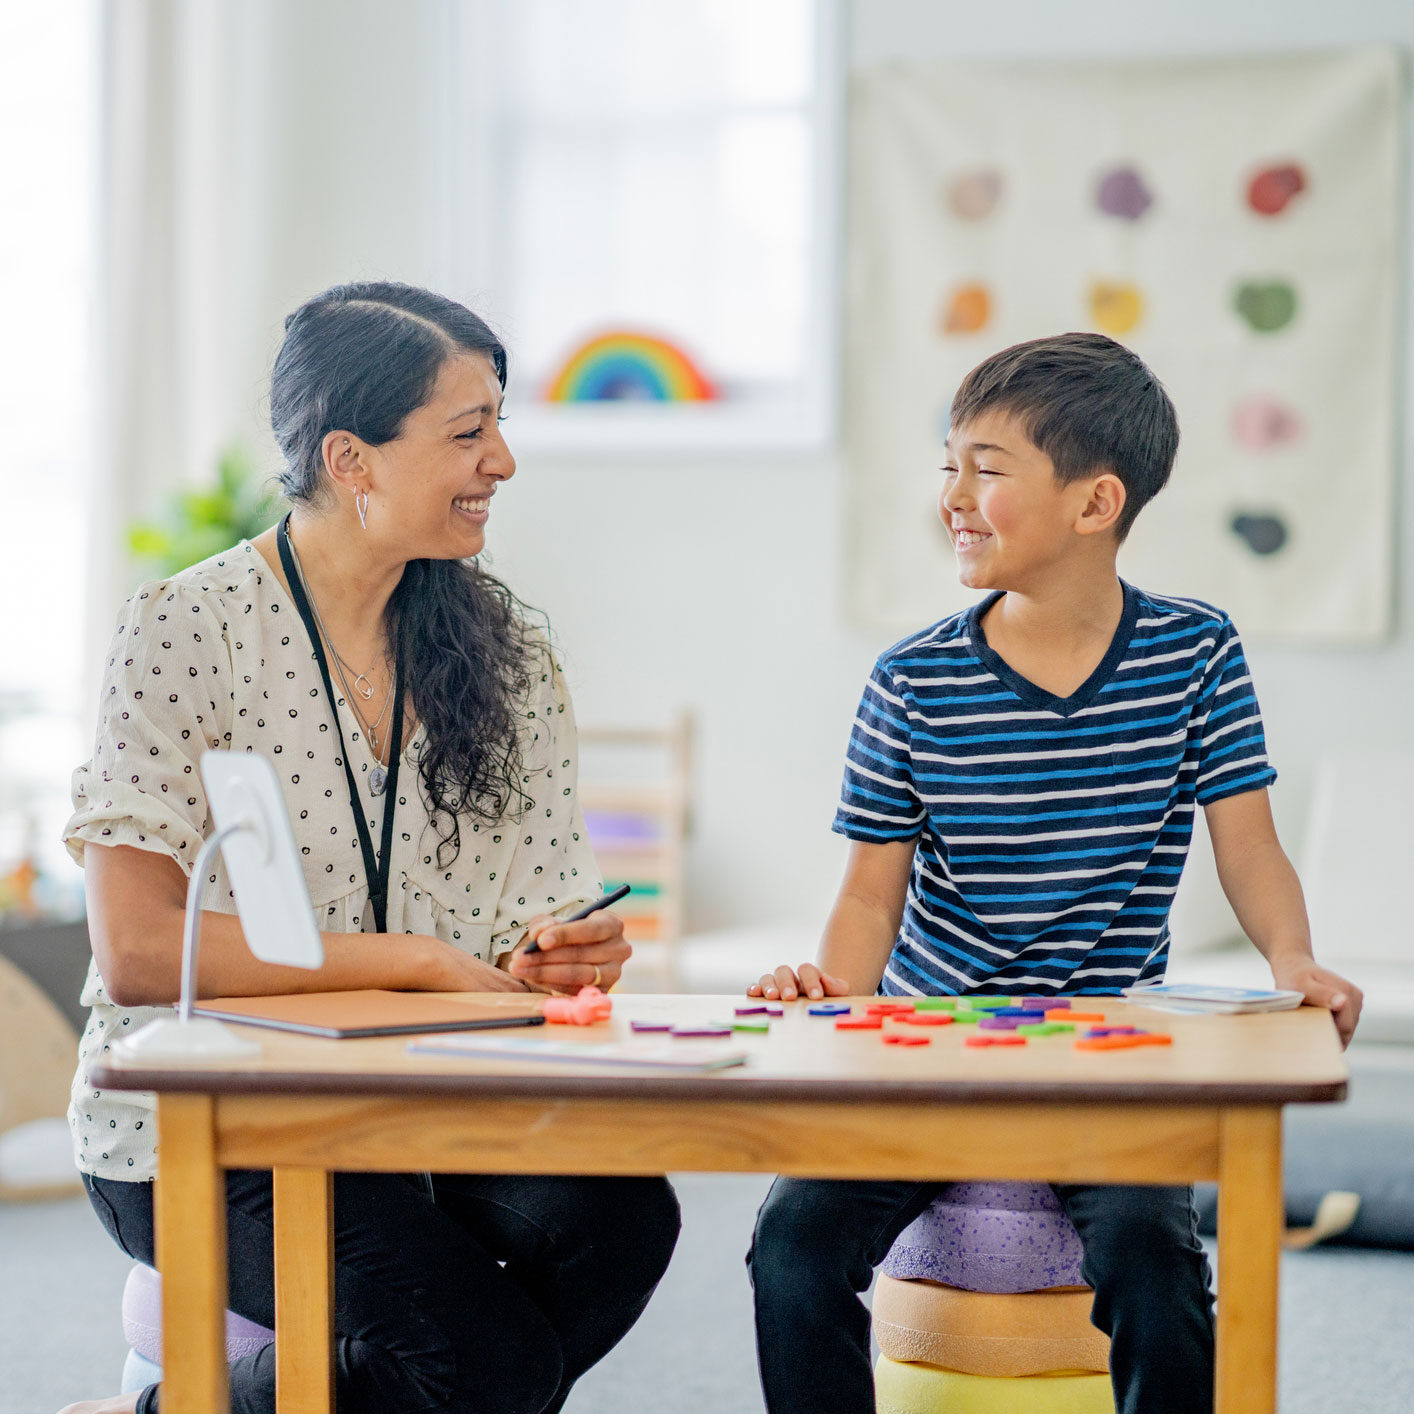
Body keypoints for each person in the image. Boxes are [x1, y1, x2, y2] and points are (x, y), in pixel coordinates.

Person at [58, 281, 680, 1414]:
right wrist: (416, 958)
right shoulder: (185, 629)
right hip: (204, 1123)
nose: (501, 461)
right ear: (352, 460)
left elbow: (529, 920)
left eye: (499, 425)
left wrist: (551, 953)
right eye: (466, 431)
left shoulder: (510, 656)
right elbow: (143, 950)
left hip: (436, 1102)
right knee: (483, 1358)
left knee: (621, 1222)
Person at [744, 332, 1362, 1414]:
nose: (951, 495)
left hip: (1112, 1055)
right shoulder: (911, 680)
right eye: (947, 464)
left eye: (985, 468)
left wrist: (1293, 959)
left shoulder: (1196, 653)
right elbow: (867, 894)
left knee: (1154, 1263)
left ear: (1094, 503)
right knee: (788, 1248)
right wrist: (833, 996)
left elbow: (1248, 843)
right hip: (927, 1050)